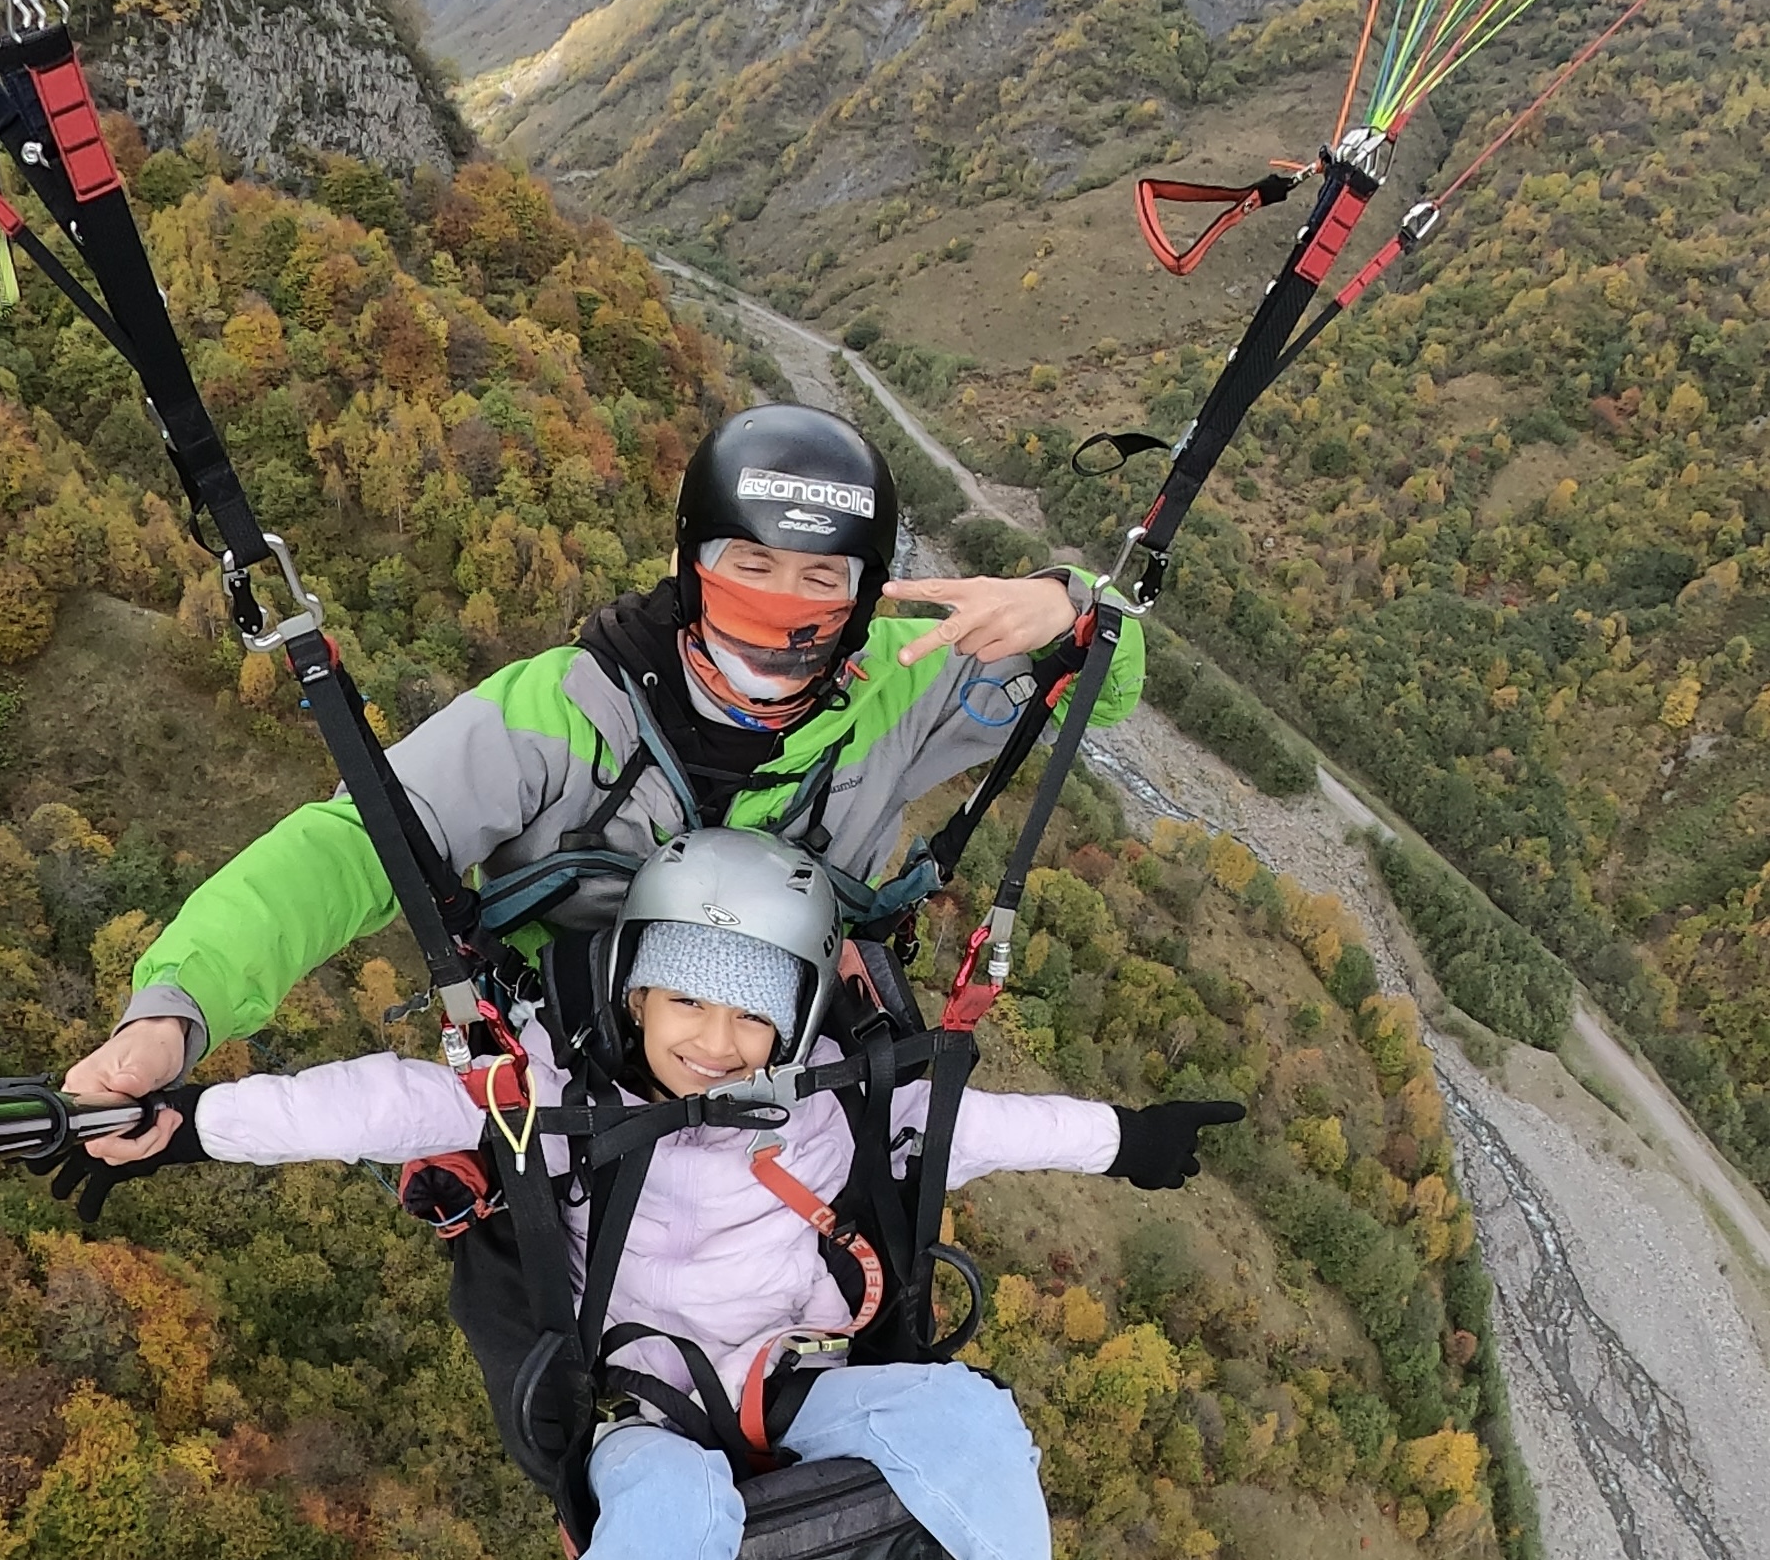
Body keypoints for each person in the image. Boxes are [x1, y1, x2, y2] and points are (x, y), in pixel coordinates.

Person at [124, 830, 1241, 1560]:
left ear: (802, 1019)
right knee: (668, 1518)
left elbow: (982, 1129)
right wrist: (193, 1124)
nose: (717, 1040)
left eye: (756, 1013)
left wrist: (1127, 1136)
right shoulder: (550, 1091)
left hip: (791, 1369)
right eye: (689, 999)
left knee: (969, 1421)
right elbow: (379, 1103)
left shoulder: (824, 1107)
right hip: (641, 1401)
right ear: (633, 988)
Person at [61, 402, 1146, 1153]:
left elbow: (1115, 675)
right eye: (750, 566)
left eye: (822, 576)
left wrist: (1072, 601)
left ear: (867, 595)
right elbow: (360, 843)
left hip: (780, 1070)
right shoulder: (562, 712)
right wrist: (180, 1005)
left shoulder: (902, 689)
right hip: (562, 1070)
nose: (783, 605)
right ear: (692, 565)